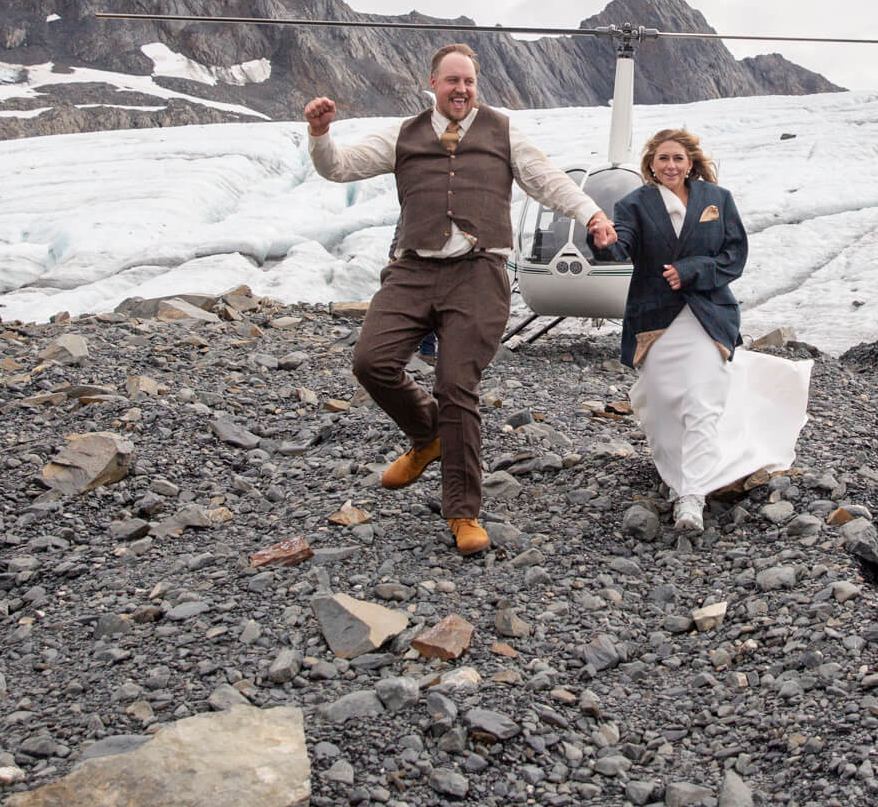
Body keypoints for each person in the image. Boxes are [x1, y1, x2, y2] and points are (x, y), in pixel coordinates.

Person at [306, 43, 616, 556]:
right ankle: (427, 436)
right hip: (412, 269)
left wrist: (592, 216)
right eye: (452, 81)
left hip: (478, 273)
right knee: (371, 362)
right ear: (432, 84)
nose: (461, 90)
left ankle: (463, 512)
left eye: (469, 82)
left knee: (456, 385)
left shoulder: (504, 132)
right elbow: (338, 167)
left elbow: (548, 183)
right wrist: (320, 135)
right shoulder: (402, 135)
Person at [606, 128, 754, 535]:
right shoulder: (633, 204)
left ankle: (693, 495)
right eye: (662, 158)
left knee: (702, 401)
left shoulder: (717, 200)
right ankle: (677, 480)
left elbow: (734, 254)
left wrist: (693, 270)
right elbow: (621, 247)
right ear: (650, 164)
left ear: (690, 163)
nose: (670, 166)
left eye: (678, 158)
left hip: (707, 313)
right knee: (662, 405)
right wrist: (602, 238)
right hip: (655, 320)